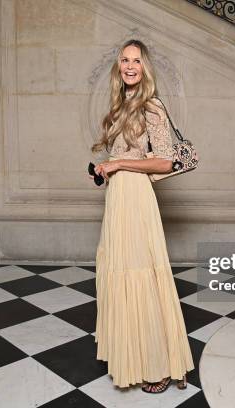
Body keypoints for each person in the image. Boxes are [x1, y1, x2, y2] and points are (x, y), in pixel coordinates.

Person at [90, 39, 195, 393]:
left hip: (137, 199)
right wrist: (107, 170)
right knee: (116, 270)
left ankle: (160, 365)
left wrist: (118, 163)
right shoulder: (121, 106)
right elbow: (129, 156)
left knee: (142, 276)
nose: (130, 65)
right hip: (118, 198)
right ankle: (130, 356)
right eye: (124, 60)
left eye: (136, 60)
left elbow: (165, 161)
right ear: (118, 66)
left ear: (144, 67)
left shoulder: (151, 106)